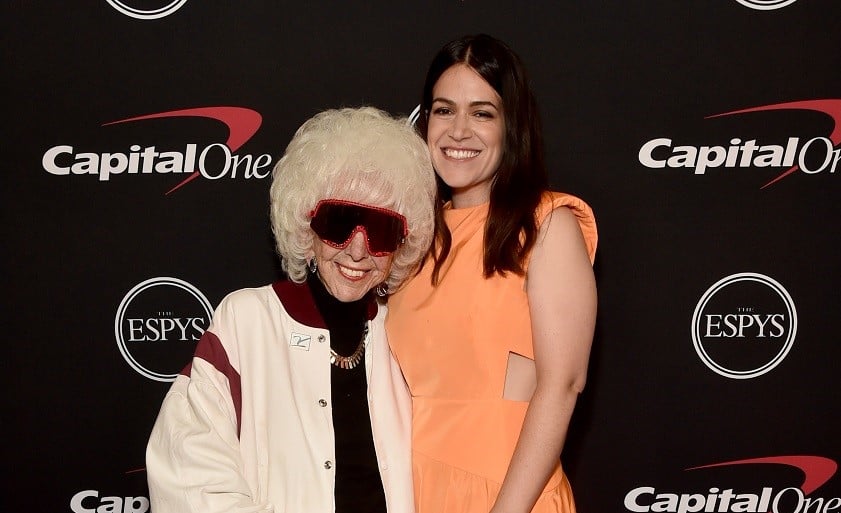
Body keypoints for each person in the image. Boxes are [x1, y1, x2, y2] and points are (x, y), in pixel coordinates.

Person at [146, 106, 436, 513]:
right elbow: (188, 471)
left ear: (402, 244)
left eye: (382, 230)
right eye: (339, 222)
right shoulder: (247, 321)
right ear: (306, 224)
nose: (357, 249)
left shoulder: (406, 333)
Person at [385, 34, 598, 513]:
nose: (459, 131)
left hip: (508, 496)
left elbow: (562, 383)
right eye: (444, 110)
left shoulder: (548, 224)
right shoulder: (413, 237)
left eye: (482, 113)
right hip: (412, 492)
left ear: (512, 126)